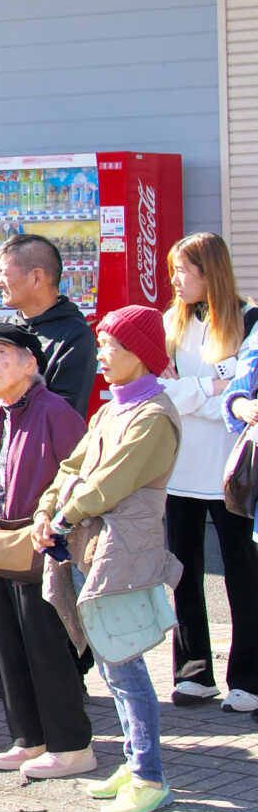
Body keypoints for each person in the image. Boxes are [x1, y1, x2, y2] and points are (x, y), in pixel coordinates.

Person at [32, 305, 182, 812]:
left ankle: (149, 776)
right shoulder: (111, 408)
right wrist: (48, 507)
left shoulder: (154, 416)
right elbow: (73, 465)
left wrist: (62, 513)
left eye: (110, 346)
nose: (101, 355)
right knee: (113, 663)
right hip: (90, 543)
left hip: (122, 552)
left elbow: (110, 482)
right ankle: (135, 761)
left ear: (139, 354)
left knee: (124, 662)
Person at [0, 319, 92, 779]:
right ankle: (29, 739)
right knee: (5, 645)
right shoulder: (1, 413)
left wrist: (56, 526)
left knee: (46, 646)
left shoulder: (55, 411)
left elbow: (80, 480)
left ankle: (73, 746)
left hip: (43, 545)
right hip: (0, 544)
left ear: (30, 362)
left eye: (1, 355)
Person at [159, 232, 256, 708]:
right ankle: (194, 672)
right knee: (183, 573)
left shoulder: (249, 319)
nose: (174, 280)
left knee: (243, 576)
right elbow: (159, 388)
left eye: (183, 270)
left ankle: (249, 678)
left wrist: (190, 389)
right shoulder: (169, 323)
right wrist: (209, 386)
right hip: (177, 469)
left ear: (209, 271)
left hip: (230, 470)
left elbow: (239, 393)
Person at [0, 232, 97, 434]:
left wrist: (13, 441)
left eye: (4, 274)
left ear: (36, 277)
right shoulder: (0, 329)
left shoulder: (75, 335)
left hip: (41, 456)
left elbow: (65, 408)